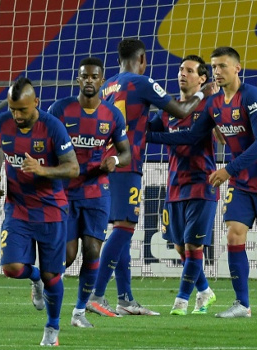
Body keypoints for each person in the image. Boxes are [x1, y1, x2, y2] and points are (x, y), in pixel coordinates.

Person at [148, 46, 257, 318]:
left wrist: (228, 170)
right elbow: (190, 137)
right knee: (234, 236)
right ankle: (242, 305)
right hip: (241, 182)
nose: (217, 72)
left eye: (222, 66)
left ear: (237, 68)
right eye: (214, 67)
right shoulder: (214, 104)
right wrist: (148, 136)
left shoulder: (252, 96)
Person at [88, 38, 218, 317]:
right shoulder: (142, 82)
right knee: (124, 229)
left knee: (119, 230)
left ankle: (125, 298)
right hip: (127, 163)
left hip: (107, 163)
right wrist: (203, 93)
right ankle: (96, 295)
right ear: (143, 59)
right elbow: (181, 111)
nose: (182, 74)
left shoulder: (108, 84)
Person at [0, 77, 79, 346]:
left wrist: (43, 170)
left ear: (36, 103)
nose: (16, 115)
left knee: (54, 276)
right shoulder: (1, 122)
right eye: (13, 109)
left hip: (51, 210)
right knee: (11, 267)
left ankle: (52, 328)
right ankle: (35, 278)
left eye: (23, 110)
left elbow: (73, 168)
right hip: (17, 208)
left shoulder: (53, 128)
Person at [47, 57, 131, 327]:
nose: (90, 81)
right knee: (68, 255)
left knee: (93, 250)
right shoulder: (60, 110)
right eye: (85, 76)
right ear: (78, 79)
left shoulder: (112, 115)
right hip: (65, 192)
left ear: (102, 80)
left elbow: (126, 152)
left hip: (97, 190)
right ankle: (43, 282)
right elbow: (44, 144)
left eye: (95, 76)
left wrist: (115, 161)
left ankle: (79, 312)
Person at [147, 55, 219, 315]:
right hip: (175, 185)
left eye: (189, 70)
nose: (182, 74)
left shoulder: (210, 105)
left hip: (203, 183)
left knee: (193, 246)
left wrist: (150, 136)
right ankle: (205, 291)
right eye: (181, 69)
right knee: (179, 246)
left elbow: (190, 137)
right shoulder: (170, 108)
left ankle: (181, 301)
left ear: (202, 78)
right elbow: (145, 128)